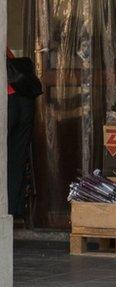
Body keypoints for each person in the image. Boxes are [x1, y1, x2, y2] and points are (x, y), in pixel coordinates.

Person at [6, 48, 37, 220]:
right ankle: (13, 208)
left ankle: (5, 210)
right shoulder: (5, 47)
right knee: (17, 156)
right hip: (24, 101)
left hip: (7, 103)